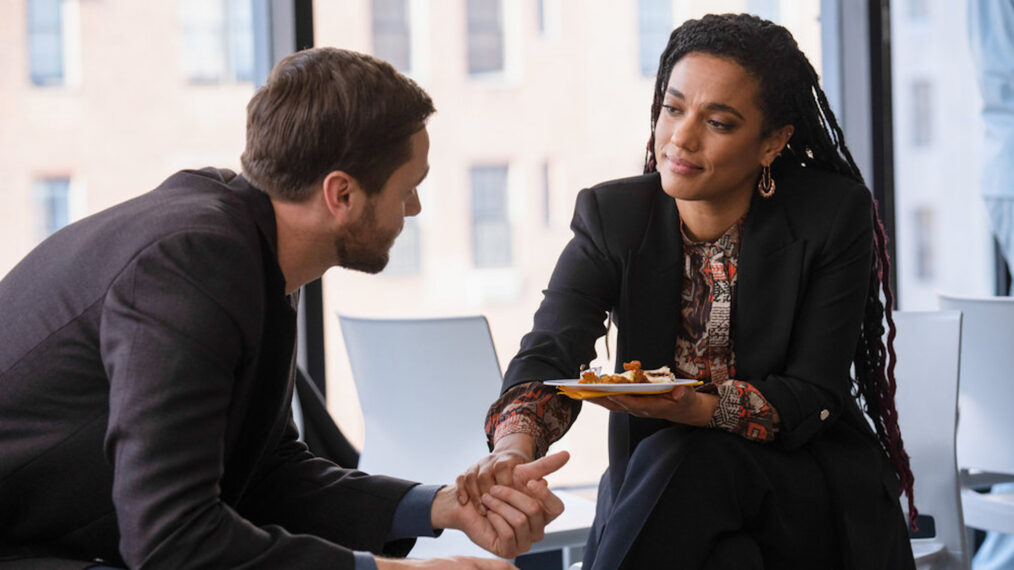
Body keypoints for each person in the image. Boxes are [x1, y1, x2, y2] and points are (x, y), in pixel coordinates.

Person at [0, 47, 568, 570]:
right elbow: (171, 540)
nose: (414, 208)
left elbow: (267, 471)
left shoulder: (246, 246)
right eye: (408, 187)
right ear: (341, 195)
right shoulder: (192, 264)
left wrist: (443, 507)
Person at [458, 13, 917, 569]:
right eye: (673, 109)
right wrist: (514, 450)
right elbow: (550, 352)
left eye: (718, 122)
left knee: (684, 453)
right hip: (666, 497)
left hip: (803, 490)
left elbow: (811, 394)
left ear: (773, 142)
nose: (682, 137)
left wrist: (694, 409)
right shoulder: (613, 216)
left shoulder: (831, 216)